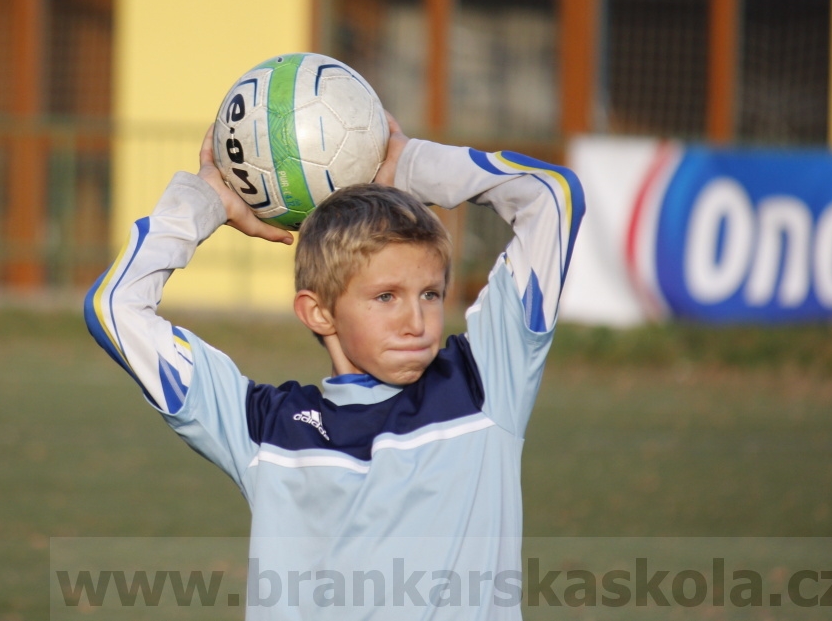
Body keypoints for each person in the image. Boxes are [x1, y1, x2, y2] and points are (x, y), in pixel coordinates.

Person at [85, 113, 584, 620]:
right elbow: (115, 308)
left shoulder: (484, 383)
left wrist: (410, 164)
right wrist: (206, 200)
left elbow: (551, 197)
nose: (417, 321)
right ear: (318, 311)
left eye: (431, 294)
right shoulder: (262, 428)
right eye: (386, 296)